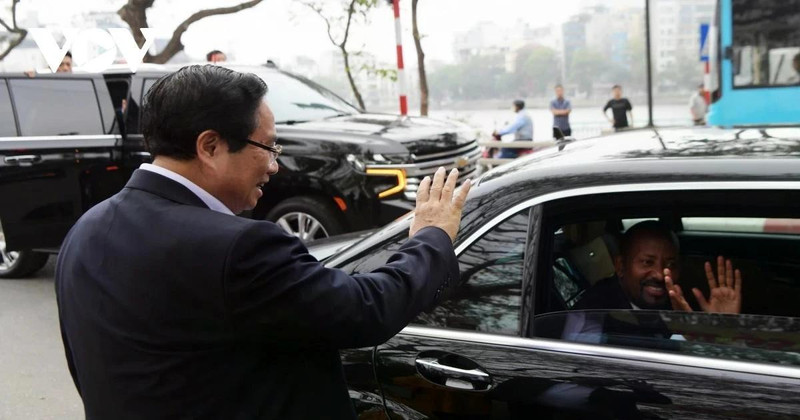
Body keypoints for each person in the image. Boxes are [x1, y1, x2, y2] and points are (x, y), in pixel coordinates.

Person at [55, 65, 471, 419]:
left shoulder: (87, 230)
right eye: (268, 146)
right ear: (211, 146)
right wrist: (431, 238)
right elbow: (365, 309)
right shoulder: (239, 248)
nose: (275, 164)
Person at [562, 220, 743, 342]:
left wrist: (723, 332)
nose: (659, 274)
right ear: (620, 266)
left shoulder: (681, 303)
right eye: (647, 262)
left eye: (670, 264)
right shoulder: (593, 316)